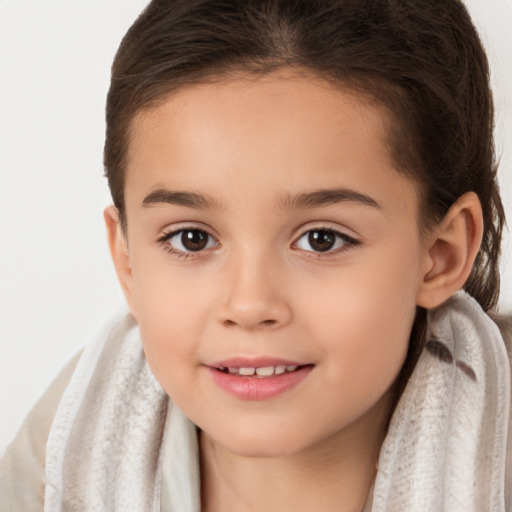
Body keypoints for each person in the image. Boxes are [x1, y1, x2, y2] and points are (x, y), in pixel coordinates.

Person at [1, 0, 510, 510]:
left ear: (441, 255)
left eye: (322, 239)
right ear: (128, 260)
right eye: (191, 239)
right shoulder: (64, 454)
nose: (248, 305)